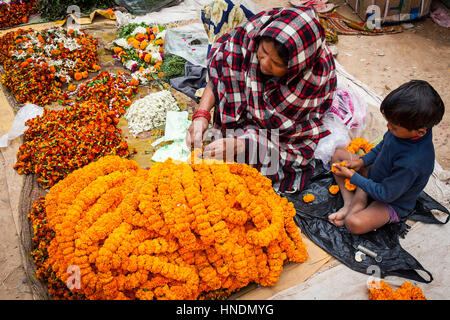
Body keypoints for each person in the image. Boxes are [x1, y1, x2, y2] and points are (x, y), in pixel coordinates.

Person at [186, 4, 337, 193]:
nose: (264, 64)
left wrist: (243, 144)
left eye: (276, 64)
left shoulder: (311, 81)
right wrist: (201, 116)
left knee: (261, 171)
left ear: (295, 67)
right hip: (246, 116)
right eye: (263, 52)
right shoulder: (249, 36)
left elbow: (291, 137)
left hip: (279, 137)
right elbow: (219, 73)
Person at [329, 80, 445, 234]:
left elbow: (385, 194)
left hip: (391, 201)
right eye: (389, 123)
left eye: (394, 127)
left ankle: (359, 198)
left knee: (354, 223)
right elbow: (383, 146)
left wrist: (353, 177)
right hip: (376, 176)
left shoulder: (413, 162)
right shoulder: (404, 128)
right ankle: (350, 202)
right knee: (338, 155)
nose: (388, 127)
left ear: (420, 132)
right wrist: (361, 161)